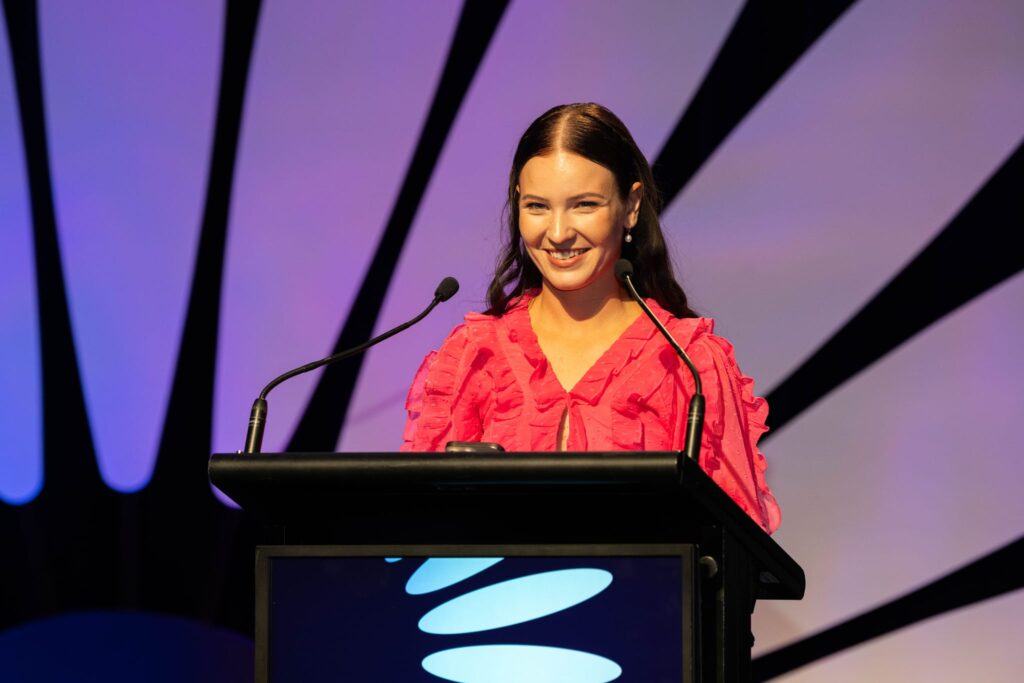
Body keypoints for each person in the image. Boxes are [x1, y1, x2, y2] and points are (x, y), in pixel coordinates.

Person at [401, 103, 780, 533]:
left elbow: (734, 549)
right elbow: (421, 527)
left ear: (631, 205)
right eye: (538, 206)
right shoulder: (474, 356)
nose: (559, 233)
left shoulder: (689, 363)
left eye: (584, 205)